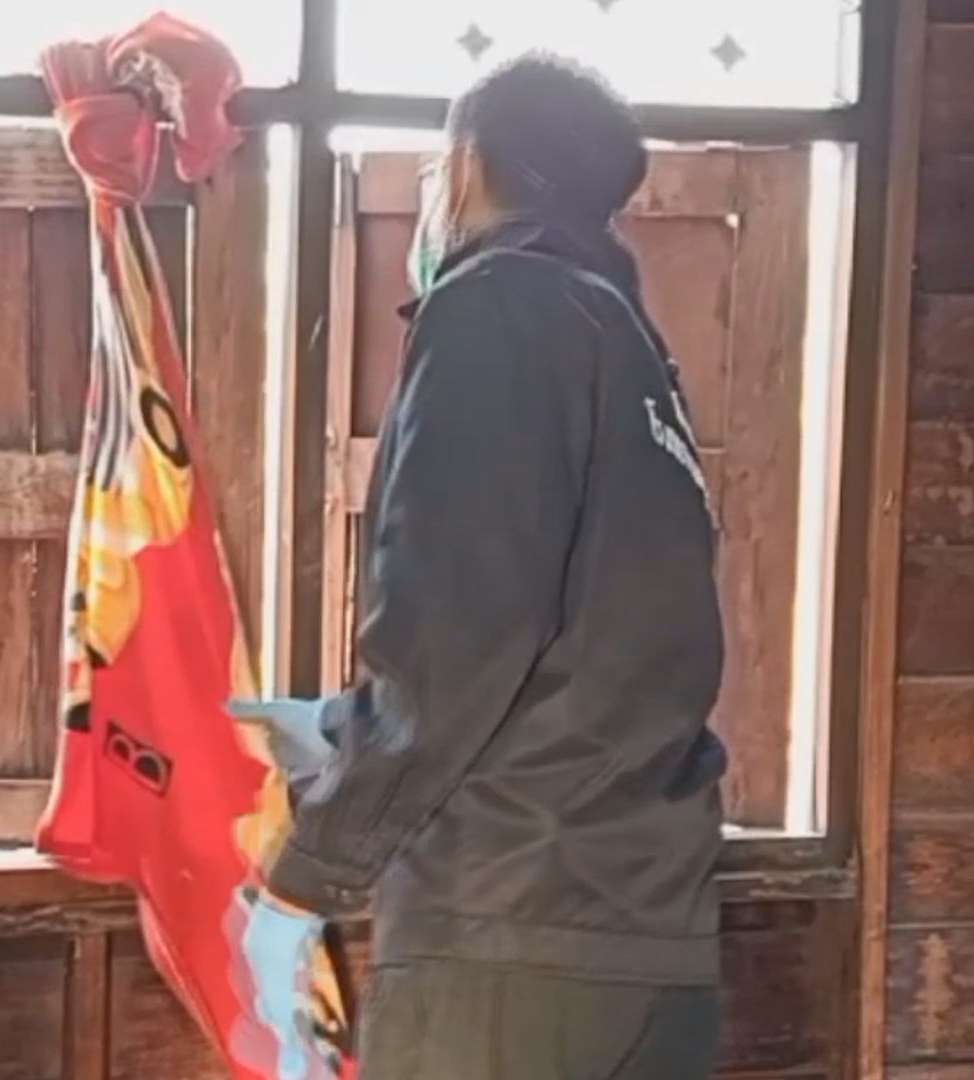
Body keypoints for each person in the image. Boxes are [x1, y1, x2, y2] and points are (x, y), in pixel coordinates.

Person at [230, 50, 728, 1080]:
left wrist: (303, 878)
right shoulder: (633, 352)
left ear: (464, 167)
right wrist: (339, 728)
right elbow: (574, 649)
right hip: (649, 944)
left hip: (507, 944)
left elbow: (455, 640)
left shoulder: (496, 308)